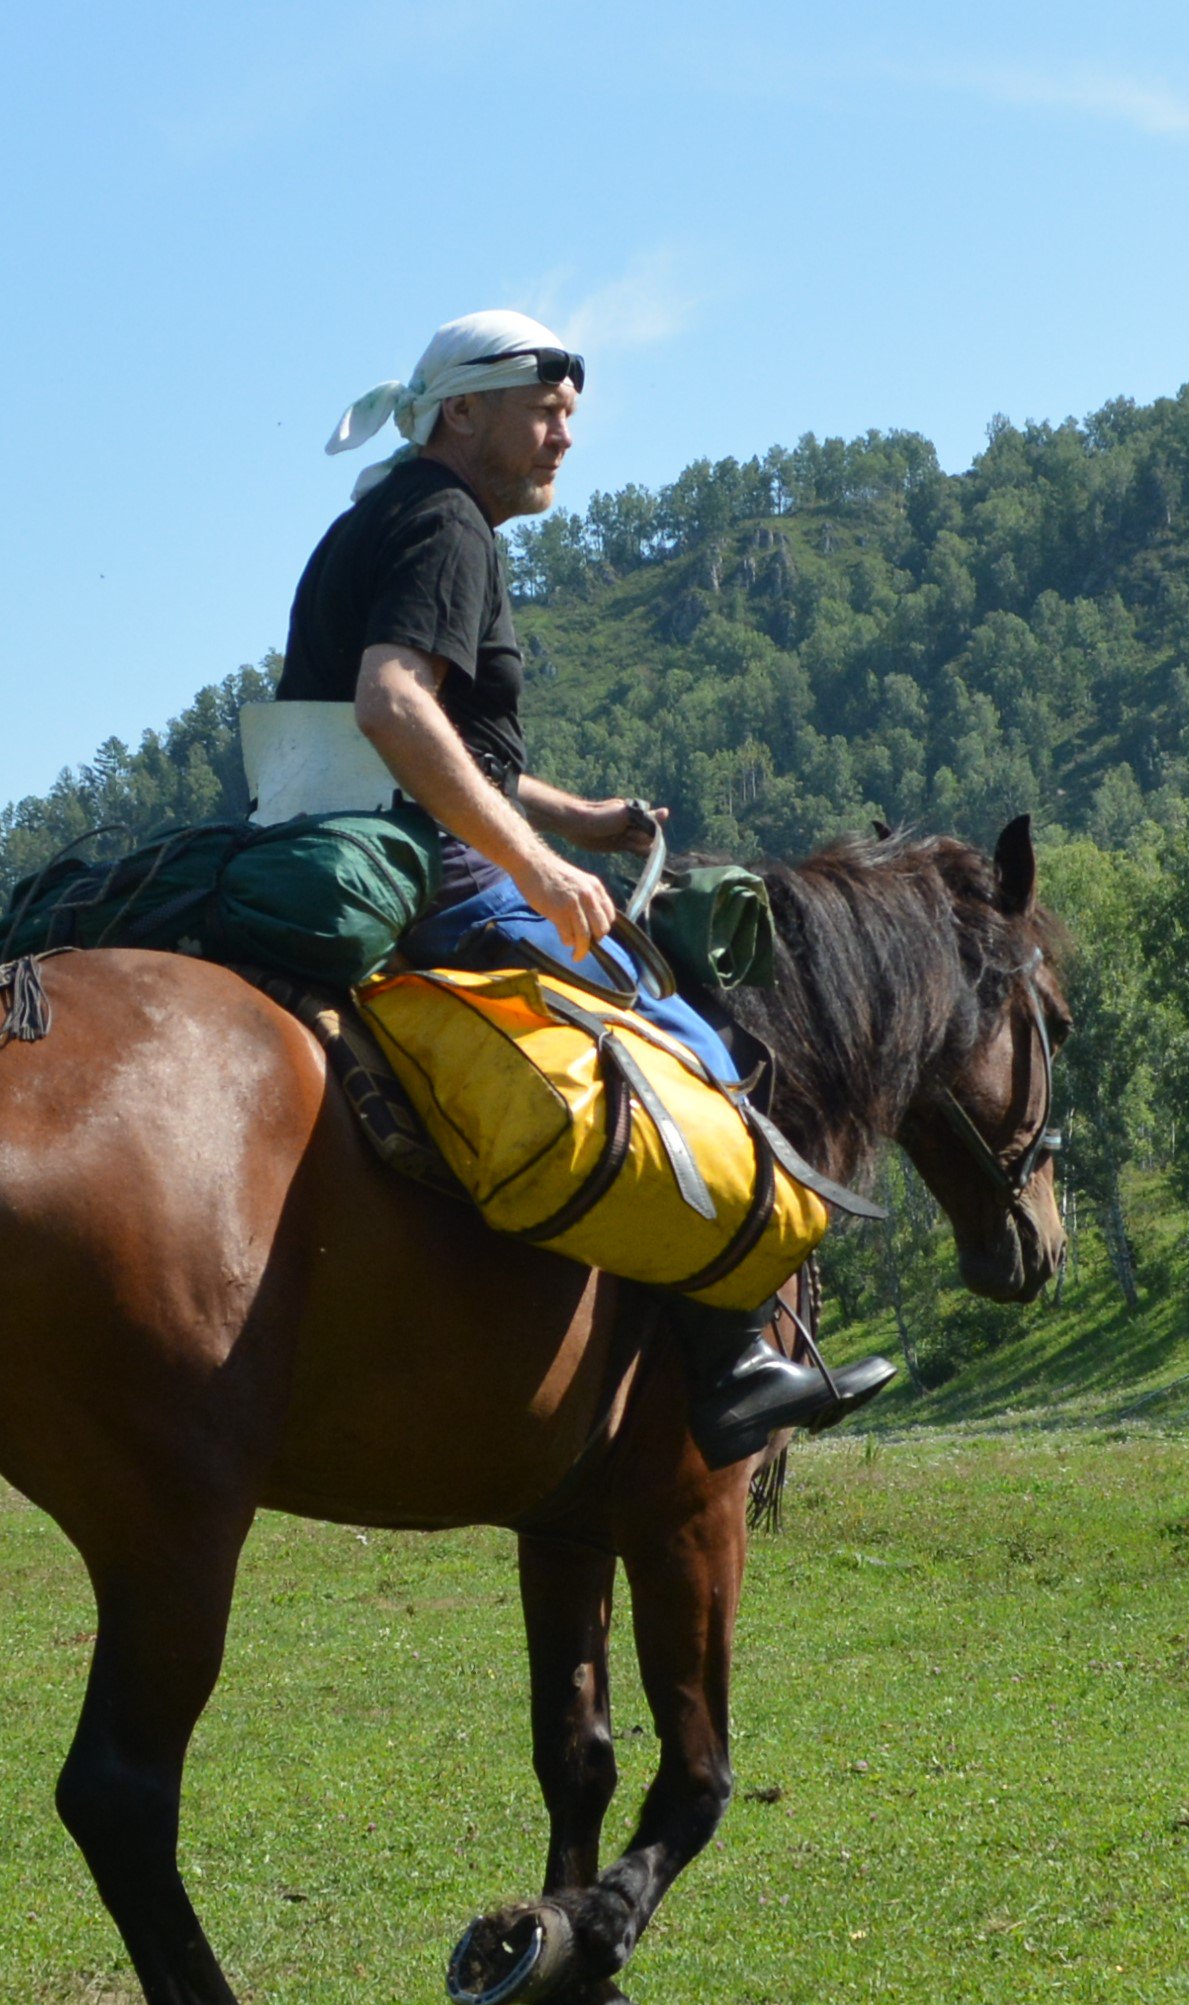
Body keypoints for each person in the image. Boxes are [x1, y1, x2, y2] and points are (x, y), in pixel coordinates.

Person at [276, 309, 893, 1466]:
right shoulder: (447, 525)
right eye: (543, 412)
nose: (563, 436)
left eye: (570, 415)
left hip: (336, 846)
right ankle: (731, 1361)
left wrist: (580, 821)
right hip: (432, 877)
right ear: (463, 412)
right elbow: (393, 708)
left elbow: (452, 748)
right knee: (693, 1047)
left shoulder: (386, 514)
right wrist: (536, 867)